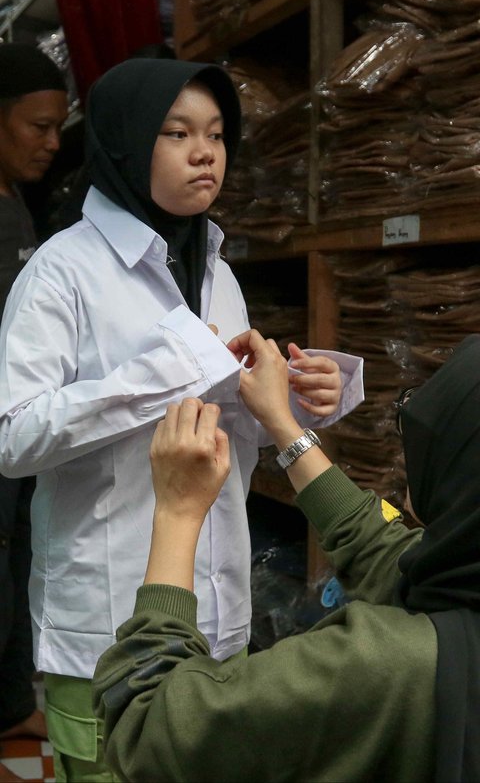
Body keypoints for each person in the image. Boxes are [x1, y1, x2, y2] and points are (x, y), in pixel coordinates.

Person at [0, 58, 364, 781]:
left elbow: (224, 429)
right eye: (178, 132)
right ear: (130, 143)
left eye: (218, 134)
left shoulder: (215, 269)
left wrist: (289, 395)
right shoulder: (61, 271)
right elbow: (14, 436)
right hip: (109, 624)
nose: (206, 152)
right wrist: (161, 369)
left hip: (217, 617)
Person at [92, 330, 480, 783]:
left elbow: (146, 727)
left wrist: (178, 511)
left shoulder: (382, 665)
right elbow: (377, 545)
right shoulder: (459, 579)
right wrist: (283, 424)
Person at [0, 42, 68, 783]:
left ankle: (11, 699)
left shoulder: (21, 207)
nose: (52, 143)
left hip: (15, 424)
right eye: (37, 126)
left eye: (59, 128)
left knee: (17, 555)